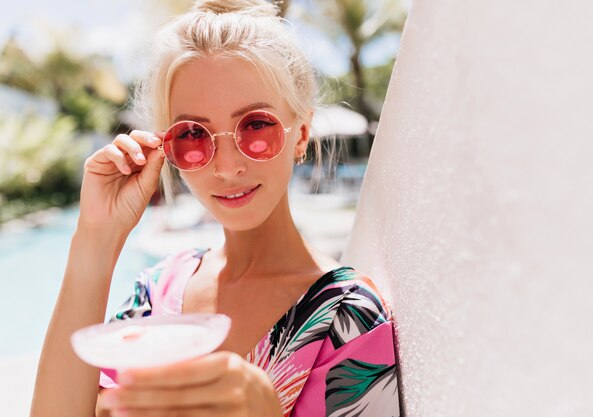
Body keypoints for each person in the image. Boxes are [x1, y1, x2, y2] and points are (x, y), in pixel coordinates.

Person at [30, 1, 400, 416]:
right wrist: (96, 239)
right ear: (166, 147)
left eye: (256, 125)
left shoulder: (348, 317)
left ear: (301, 135)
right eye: (193, 134)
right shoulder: (157, 292)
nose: (227, 167)